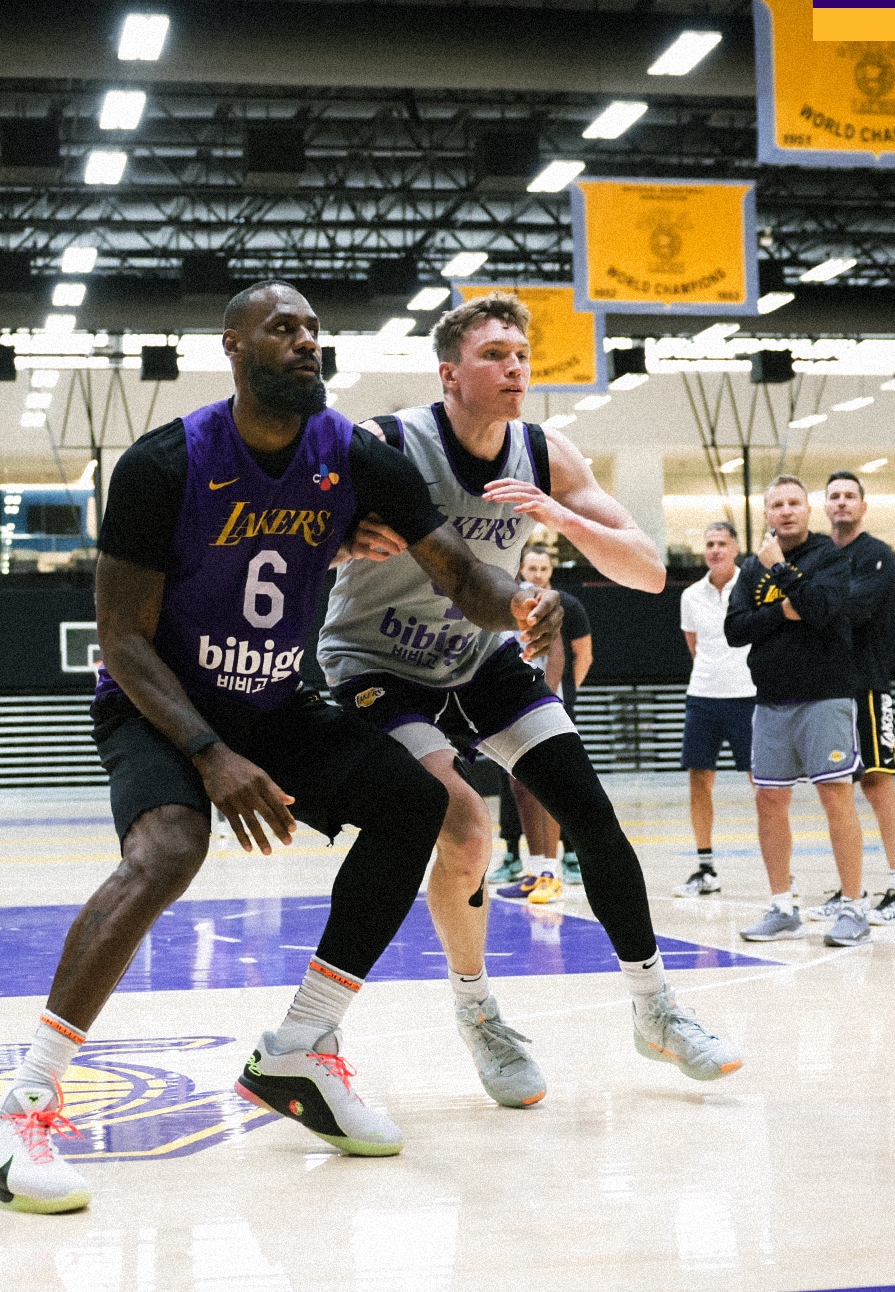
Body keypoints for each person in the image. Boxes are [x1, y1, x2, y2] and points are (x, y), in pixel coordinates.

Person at [0, 280, 562, 1214]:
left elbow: (457, 574)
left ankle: (300, 1050)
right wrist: (209, 754)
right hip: (158, 703)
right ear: (234, 348)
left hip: (273, 699)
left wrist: (519, 601)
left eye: (316, 331)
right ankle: (21, 1106)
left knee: (420, 803)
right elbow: (120, 637)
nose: (306, 343)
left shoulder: (356, 458)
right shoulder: (166, 464)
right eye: (282, 329)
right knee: (172, 845)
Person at [318, 290, 742, 1111]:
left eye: (522, 354)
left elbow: (649, 572)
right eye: (494, 354)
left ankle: (656, 1010)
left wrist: (559, 517)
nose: (515, 366)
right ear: (450, 373)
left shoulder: (544, 453)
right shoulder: (389, 442)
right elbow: (289, 528)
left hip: (480, 657)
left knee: (591, 812)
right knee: (468, 829)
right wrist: (338, 538)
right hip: (377, 662)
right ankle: (478, 1011)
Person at [729, 475, 868, 947]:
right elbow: (734, 628)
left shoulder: (829, 557)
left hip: (825, 696)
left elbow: (823, 609)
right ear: (767, 513)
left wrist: (784, 575)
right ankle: (782, 906)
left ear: (808, 510)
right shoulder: (752, 568)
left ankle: (853, 907)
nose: (786, 511)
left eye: (794, 503)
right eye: (777, 505)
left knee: (835, 796)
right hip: (770, 702)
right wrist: (781, 611)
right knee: (769, 800)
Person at [810, 471, 895, 926]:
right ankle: (851, 890)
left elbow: (854, 609)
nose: (842, 503)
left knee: (880, 785)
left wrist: (811, 604)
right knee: (836, 790)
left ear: (863, 506)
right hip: (829, 688)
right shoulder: (821, 555)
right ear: (825, 506)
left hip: (868, 683)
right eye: (834, 497)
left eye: (849, 497)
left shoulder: (878, 555)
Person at [493, 542, 593, 897]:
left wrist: (545, 699)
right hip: (509, 702)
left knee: (546, 786)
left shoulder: (554, 604)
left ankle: (551, 871)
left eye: (543, 568)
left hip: (538, 704)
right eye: (531, 567)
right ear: (520, 569)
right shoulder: (505, 598)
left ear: (550, 571)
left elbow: (560, 655)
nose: (537, 573)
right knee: (521, 788)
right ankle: (534, 872)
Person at [674, 521, 756, 897]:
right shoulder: (690, 595)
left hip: (748, 695)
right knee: (699, 780)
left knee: (765, 784)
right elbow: (695, 646)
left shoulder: (753, 586)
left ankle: (780, 869)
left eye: (722, 543)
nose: (716, 549)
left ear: (736, 547)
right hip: (703, 696)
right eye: (709, 543)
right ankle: (705, 868)